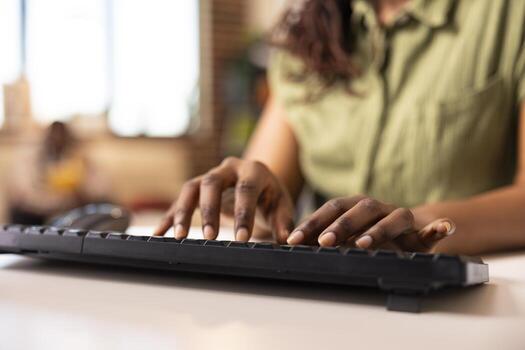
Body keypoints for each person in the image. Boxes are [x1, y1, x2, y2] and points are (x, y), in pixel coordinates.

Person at [155, 0, 525, 255]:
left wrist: (417, 224)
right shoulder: (306, 40)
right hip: (324, 307)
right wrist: (242, 201)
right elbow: (265, 200)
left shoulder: (507, 17)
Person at [7, 121, 111, 225]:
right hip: (37, 215)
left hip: (74, 212)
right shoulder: (30, 160)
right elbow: (25, 196)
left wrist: (81, 194)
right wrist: (58, 201)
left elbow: (99, 189)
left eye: (62, 137)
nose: (58, 140)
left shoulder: (81, 159)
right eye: (54, 136)